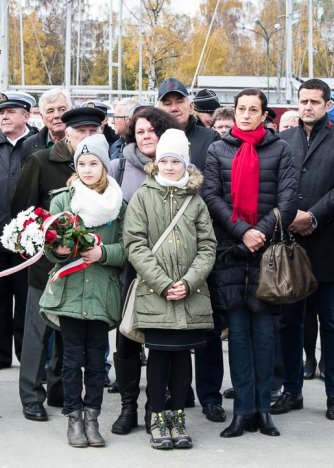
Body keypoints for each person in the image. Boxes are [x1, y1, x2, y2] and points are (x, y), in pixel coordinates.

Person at [201, 88, 298, 439]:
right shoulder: (217, 149)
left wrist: (260, 231)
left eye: (252, 109)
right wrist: (242, 231)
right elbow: (210, 195)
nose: (244, 115)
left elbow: (288, 199)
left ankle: (263, 410)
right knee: (238, 335)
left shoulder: (280, 149)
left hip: (267, 255)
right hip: (230, 252)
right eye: (241, 109)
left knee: (265, 334)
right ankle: (242, 411)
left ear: (263, 115)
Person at [12, 106, 107, 423]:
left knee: (68, 337)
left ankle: (57, 390)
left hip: (84, 269)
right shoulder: (41, 161)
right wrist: (41, 246)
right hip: (46, 267)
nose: (87, 138)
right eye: (81, 132)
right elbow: (22, 211)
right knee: (37, 335)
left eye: (93, 132)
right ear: (67, 133)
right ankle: (31, 396)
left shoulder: (100, 168)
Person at [123, 128, 216, 450]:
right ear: (156, 162)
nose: (169, 166)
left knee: (182, 360)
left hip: (189, 295)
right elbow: (135, 244)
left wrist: (189, 282)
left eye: (175, 161)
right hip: (155, 294)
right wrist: (163, 284)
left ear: (185, 165)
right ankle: (158, 417)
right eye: (164, 160)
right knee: (160, 358)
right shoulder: (143, 197)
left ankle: (178, 417)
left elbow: (207, 246)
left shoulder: (196, 201)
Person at [273, 79, 334, 421]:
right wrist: (291, 216)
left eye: (314, 101)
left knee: (332, 322)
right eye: (303, 101)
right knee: (289, 322)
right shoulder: (284, 140)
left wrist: (313, 216)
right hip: (290, 245)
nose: (307, 107)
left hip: (326, 245)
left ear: (328, 105)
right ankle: (292, 390)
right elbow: (277, 184)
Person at [41, 133, 126, 448]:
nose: (88, 169)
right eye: (82, 163)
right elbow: (49, 246)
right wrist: (60, 251)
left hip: (102, 292)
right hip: (70, 291)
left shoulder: (119, 204)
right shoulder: (64, 199)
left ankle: (93, 416)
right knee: (71, 357)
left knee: (96, 359)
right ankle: (74, 418)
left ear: (104, 166)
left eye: (94, 163)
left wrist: (103, 254)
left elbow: (127, 249)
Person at [109, 107, 182, 435]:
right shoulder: (119, 167)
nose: (147, 135)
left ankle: (157, 406)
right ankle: (128, 407)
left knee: (163, 344)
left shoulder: (179, 168)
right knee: (127, 341)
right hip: (130, 271)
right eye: (140, 131)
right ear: (132, 135)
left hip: (170, 274)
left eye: (153, 129)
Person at [157, 76, 224, 420]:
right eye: (167, 102)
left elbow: (218, 190)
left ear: (189, 104)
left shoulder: (211, 139)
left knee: (206, 325)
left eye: (178, 100)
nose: (173, 107)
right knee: (168, 327)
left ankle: (210, 394)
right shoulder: (155, 136)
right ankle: (177, 392)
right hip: (163, 249)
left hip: (204, 243)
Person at [0, 91, 36, 373]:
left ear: (26, 116)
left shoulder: (37, 144)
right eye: (1, 112)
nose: (4, 116)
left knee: (26, 300)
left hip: (29, 240)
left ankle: (26, 352)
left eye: (11, 111)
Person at [157, 77, 220, 169]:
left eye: (179, 102)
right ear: (159, 111)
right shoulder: (153, 138)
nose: (174, 108)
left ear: (191, 107)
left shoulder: (211, 139)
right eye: (167, 104)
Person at [21, 88, 71, 157]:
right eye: (50, 111)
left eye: (62, 109)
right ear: (42, 117)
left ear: (71, 112)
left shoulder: (81, 141)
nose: (56, 115)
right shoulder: (28, 145)